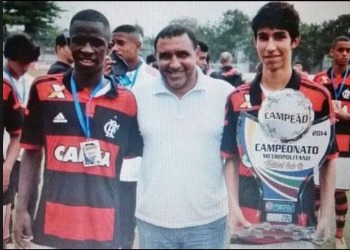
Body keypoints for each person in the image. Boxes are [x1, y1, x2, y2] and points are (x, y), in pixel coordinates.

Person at [13, 9, 143, 249]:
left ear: (110, 46)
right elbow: (31, 152)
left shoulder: (127, 101)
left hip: (104, 229)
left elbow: (131, 163)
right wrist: (21, 210)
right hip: (52, 227)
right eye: (79, 41)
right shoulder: (43, 90)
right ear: (69, 42)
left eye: (96, 42)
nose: (87, 49)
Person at [221, 2, 337, 249]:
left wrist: (327, 214)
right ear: (255, 42)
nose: (270, 46)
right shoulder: (236, 99)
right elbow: (230, 158)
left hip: (300, 227)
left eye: (279, 37)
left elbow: (329, 159)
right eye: (263, 37)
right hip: (248, 225)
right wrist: (232, 207)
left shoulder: (317, 97)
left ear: (295, 40)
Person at [132, 24, 234, 249]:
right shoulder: (138, 96)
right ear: (156, 57)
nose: (174, 64)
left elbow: (233, 158)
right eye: (165, 56)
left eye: (183, 54)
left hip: (208, 224)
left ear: (197, 53)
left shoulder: (225, 94)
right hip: (152, 223)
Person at [103, 24, 158, 249]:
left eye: (121, 43)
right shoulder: (102, 74)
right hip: (108, 164)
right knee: (108, 222)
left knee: (131, 224)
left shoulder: (154, 78)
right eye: (112, 43)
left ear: (138, 45)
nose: (115, 48)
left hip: (140, 166)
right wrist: (102, 79)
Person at [2, 31, 40, 249]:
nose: (26, 67)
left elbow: (23, 128)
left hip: (23, 156)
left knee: (23, 206)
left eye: (29, 63)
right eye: (22, 62)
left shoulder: (27, 83)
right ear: (10, 58)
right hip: (11, 155)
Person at [313, 35, 350, 249]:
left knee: (339, 191)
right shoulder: (319, 80)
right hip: (322, 143)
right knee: (317, 189)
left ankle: (338, 235)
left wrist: (346, 116)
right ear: (332, 52)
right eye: (341, 50)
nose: (344, 54)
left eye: (348, 50)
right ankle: (317, 230)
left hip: (345, 144)